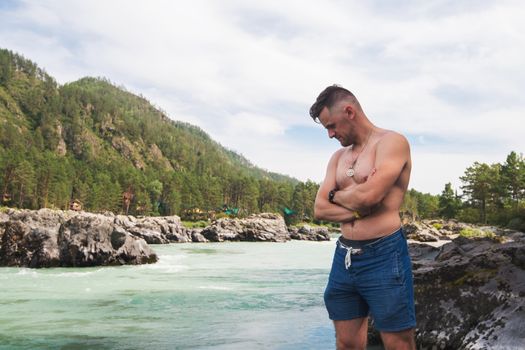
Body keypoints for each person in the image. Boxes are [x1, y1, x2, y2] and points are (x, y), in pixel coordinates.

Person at [310, 85, 416, 350]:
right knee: (346, 343)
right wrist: (357, 207)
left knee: (398, 343)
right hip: (343, 257)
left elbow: (369, 196)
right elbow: (320, 209)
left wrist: (338, 194)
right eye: (326, 129)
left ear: (350, 111)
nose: (330, 134)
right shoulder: (338, 157)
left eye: (331, 126)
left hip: (385, 253)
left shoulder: (392, 142)